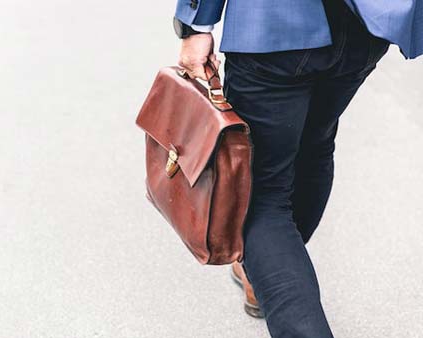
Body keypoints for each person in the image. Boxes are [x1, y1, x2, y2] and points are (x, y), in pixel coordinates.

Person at [173, 0, 422, 337]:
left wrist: (196, 23)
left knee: (260, 193)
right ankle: (264, 267)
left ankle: (268, 264)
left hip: (274, 25)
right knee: (314, 145)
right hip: (365, 27)